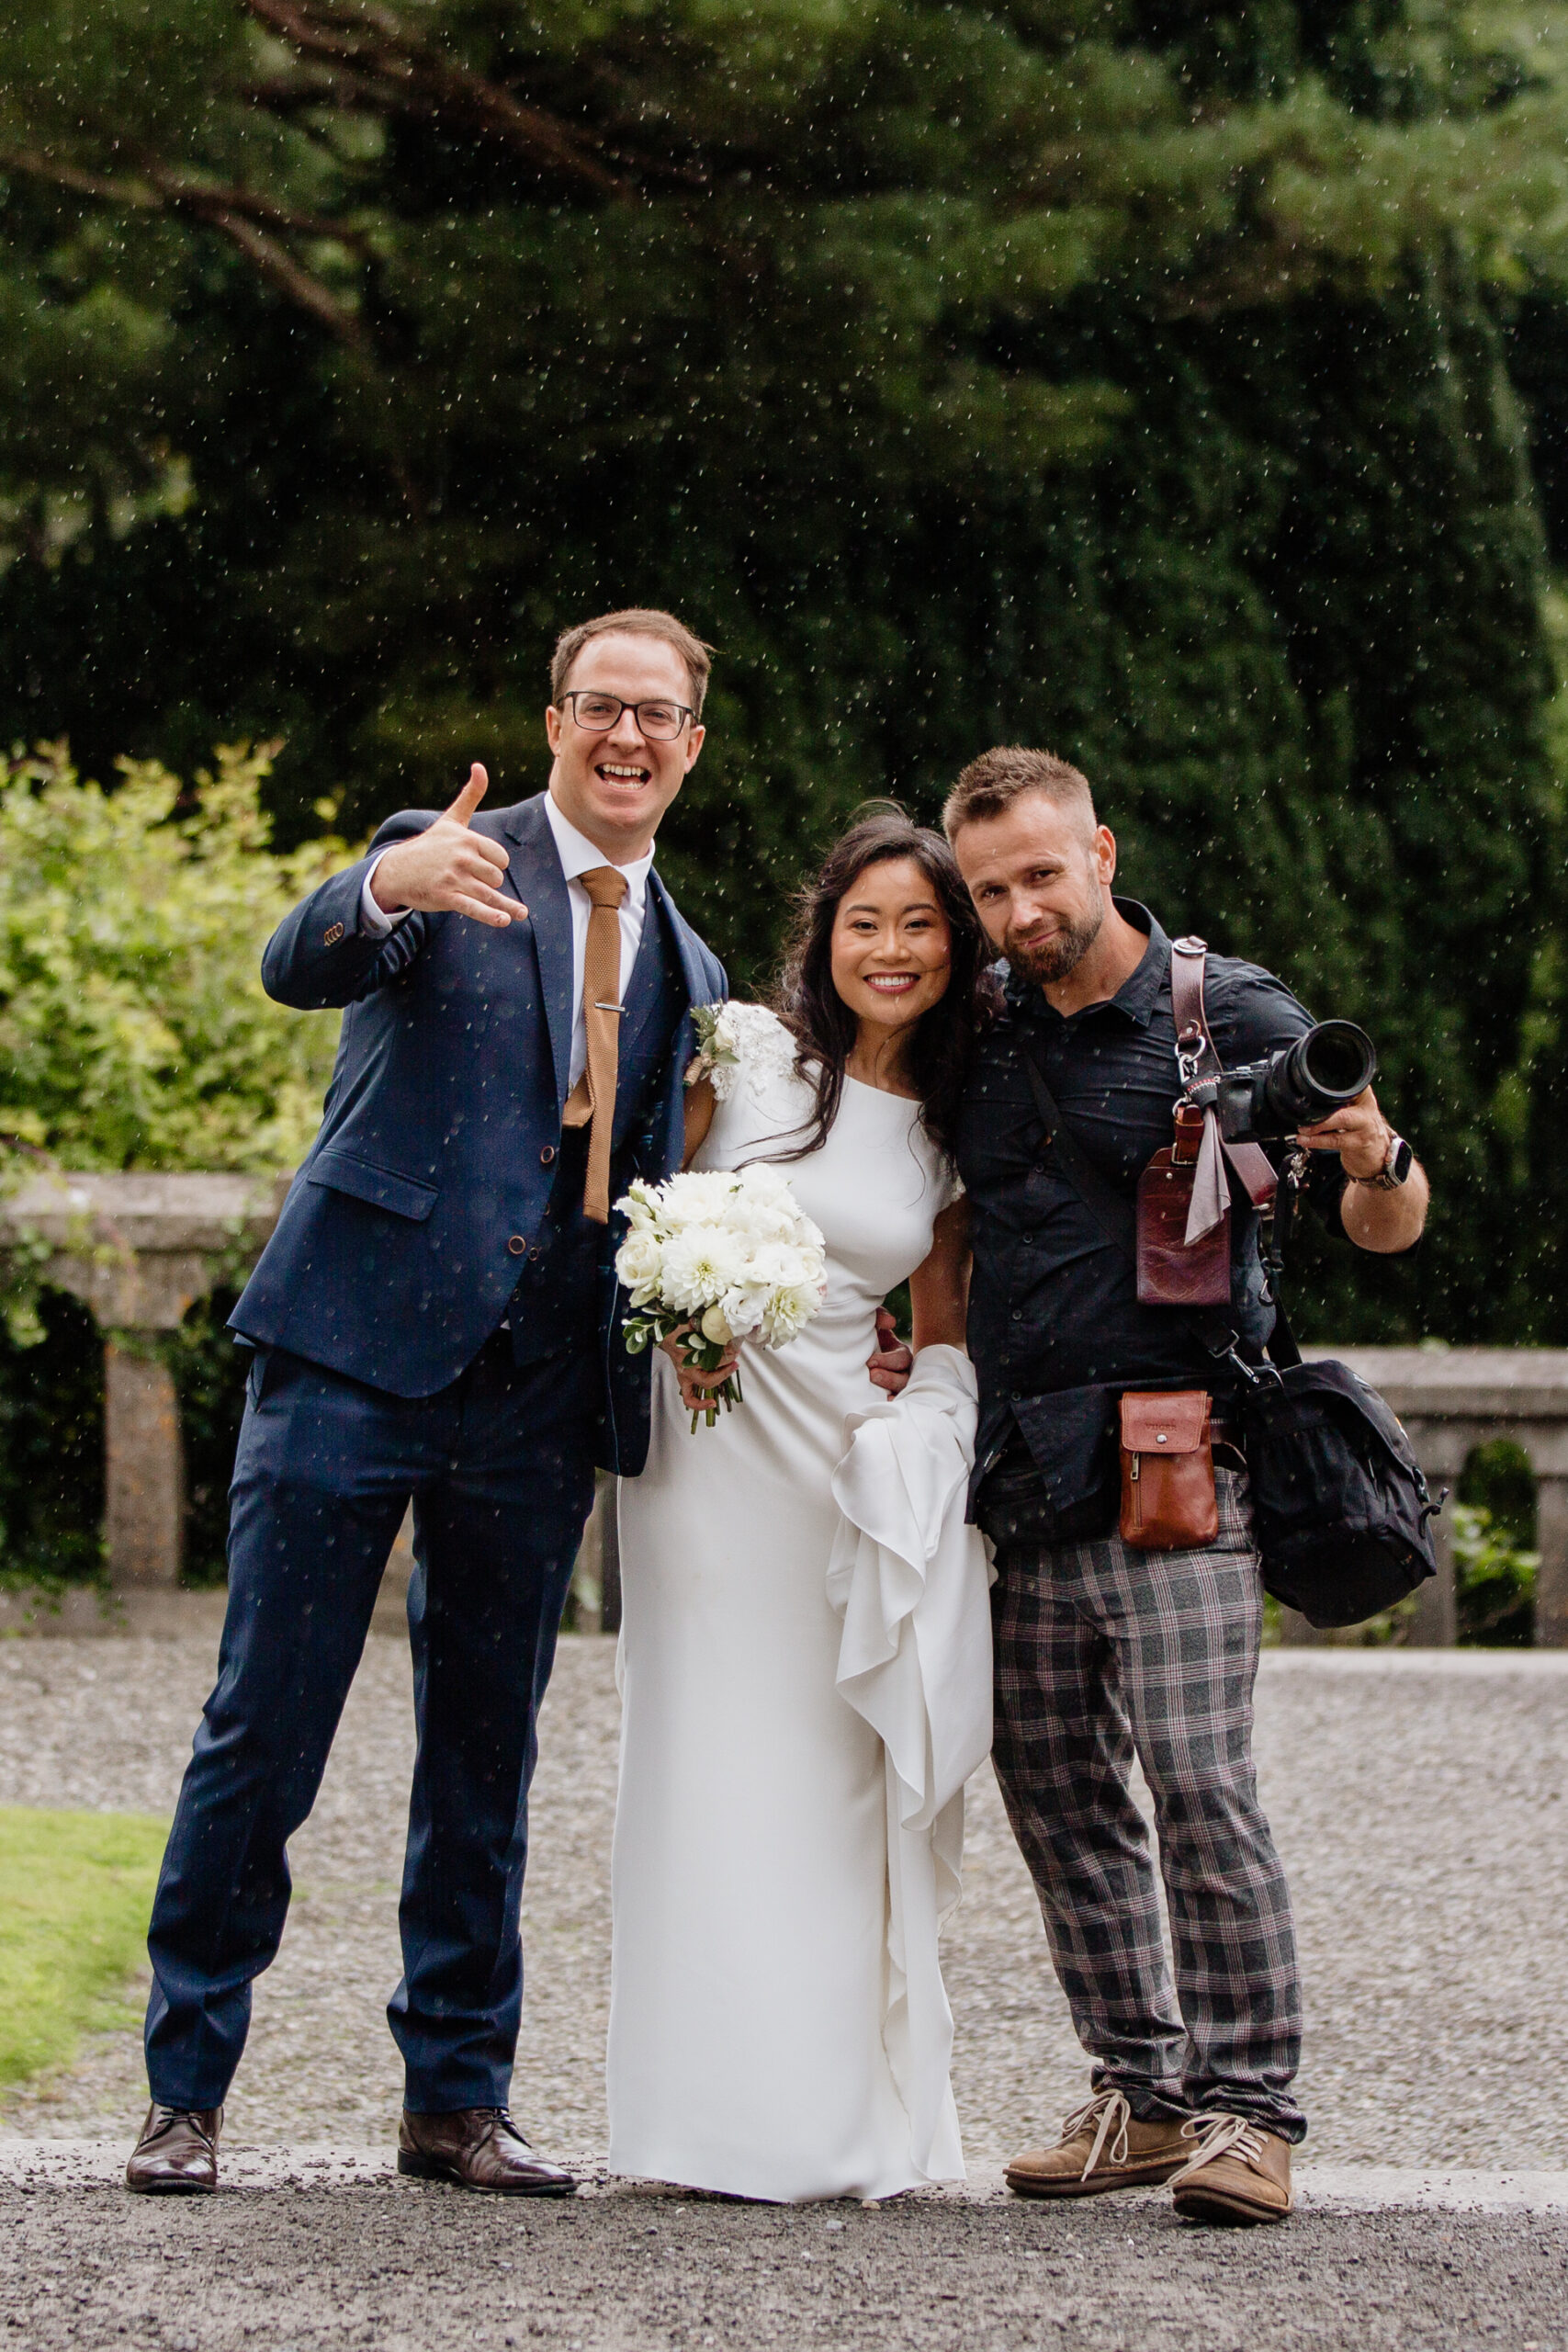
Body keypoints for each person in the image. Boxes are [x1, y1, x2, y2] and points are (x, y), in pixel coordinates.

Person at [125, 608, 726, 2197]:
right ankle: (186, 2088)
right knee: (266, 1729)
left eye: (657, 716)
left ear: (691, 747)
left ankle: (455, 2098)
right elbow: (298, 961)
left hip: (536, 1405)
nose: (627, 736)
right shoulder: (446, 853)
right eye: (602, 706)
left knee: (486, 1757)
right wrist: (380, 885)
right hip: (350, 1357)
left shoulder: (694, 963)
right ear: (554, 721)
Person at [871, 747, 1427, 2226]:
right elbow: (945, 1224)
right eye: (989, 888)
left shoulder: (1225, 1015)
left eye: (1040, 875)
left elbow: (1389, 1223)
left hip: (1188, 1457)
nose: (1016, 909)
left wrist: (1377, 1150)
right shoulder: (975, 1026)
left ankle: (1254, 2114)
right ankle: (1142, 2091)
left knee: (1198, 1787)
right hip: (1023, 1469)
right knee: (1057, 1798)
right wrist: (904, 1345)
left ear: (1101, 853)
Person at [608, 811, 996, 2202]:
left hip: (845, 1466)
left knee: (833, 1780)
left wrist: (924, 1421)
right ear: (823, 936)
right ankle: (693, 2119)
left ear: (954, 947)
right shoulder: (744, 1058)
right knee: (703, 1755)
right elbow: (632, 1209)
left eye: (920, 926)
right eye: (866, 923)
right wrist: (672, 1308)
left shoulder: (956, 1132)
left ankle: (827, 2120)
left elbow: (941, 1327)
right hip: (704, 1460)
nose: (891, 951)